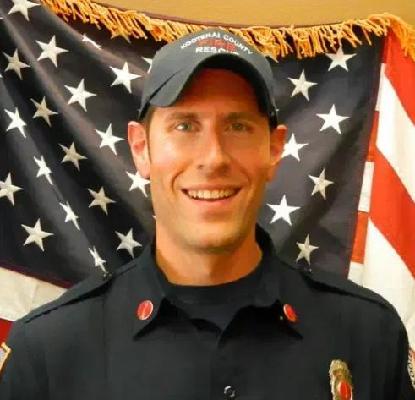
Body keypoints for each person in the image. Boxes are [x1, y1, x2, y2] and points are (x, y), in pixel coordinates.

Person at [0, 28, 414, 400]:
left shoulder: (367, 336)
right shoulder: (48, 353)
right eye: (184, 126)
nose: (214, 158)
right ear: (141, 148)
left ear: (274, 149)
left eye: (238, 126)